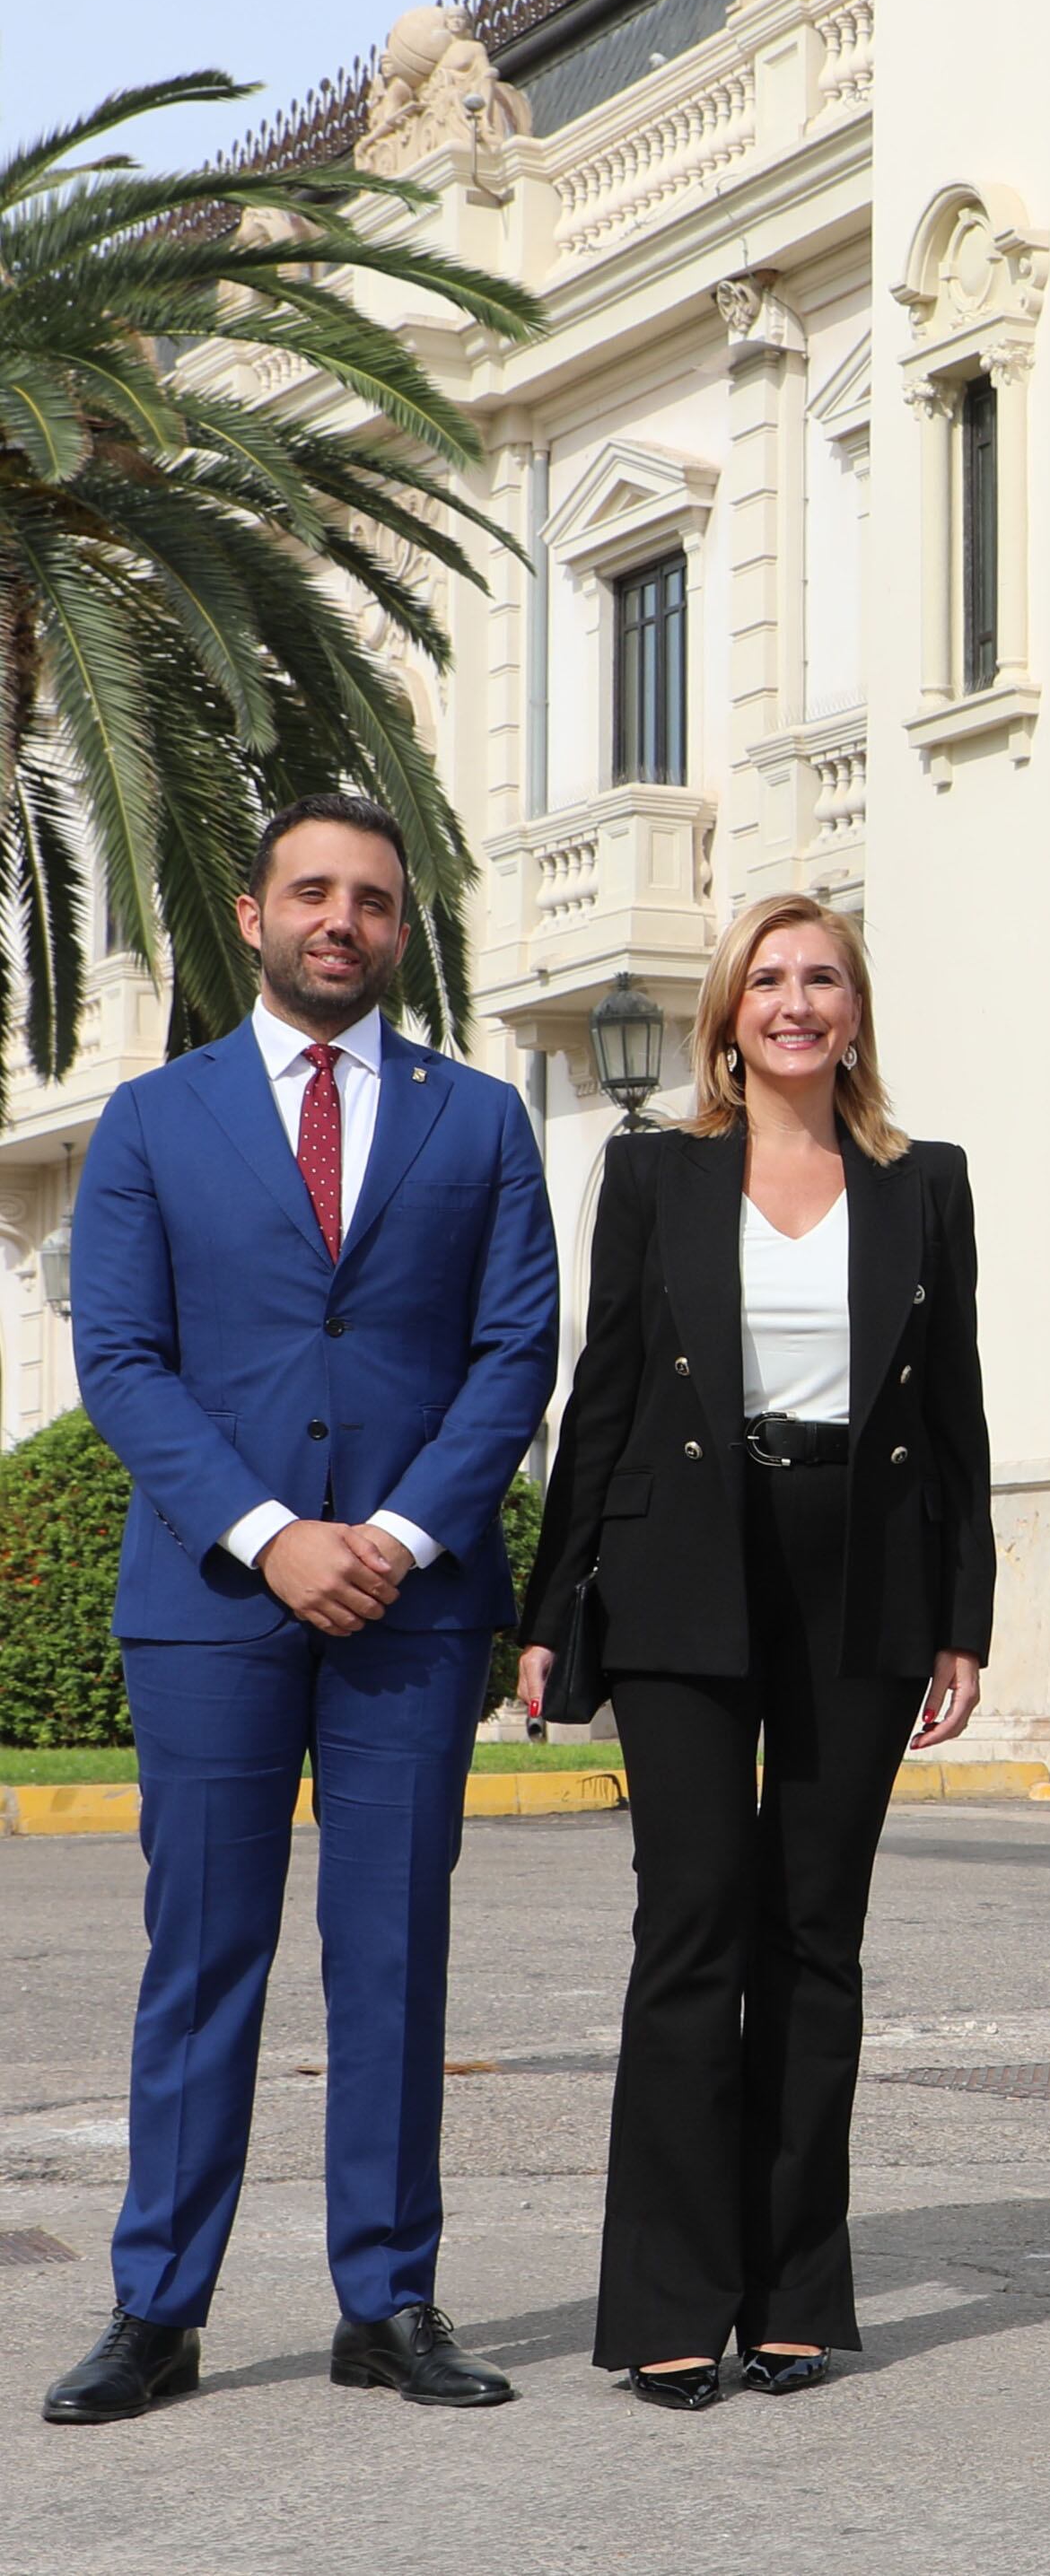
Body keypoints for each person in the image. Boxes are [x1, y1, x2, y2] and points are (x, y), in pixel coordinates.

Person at [45, 797, 557, 2427]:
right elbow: (122, 1362)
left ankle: (387, 2299)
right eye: (313, 894)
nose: (343, 921)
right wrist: (272, 1539)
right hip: (211, 1604)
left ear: (404, 932)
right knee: (202, 1957)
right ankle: (158, 2307)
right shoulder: (149, 1120)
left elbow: (513, 1354)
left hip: (411, 1608)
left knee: (394, 1954)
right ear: (256, 916)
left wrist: (398, 1536)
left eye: (375, 902)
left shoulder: (476, 1121)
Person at [513, 894, 993, 2405]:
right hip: (678, 1569)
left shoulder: (928, 1185)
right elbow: (599, 1398)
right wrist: (549, 1609)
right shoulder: (653, 1172)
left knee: (814, 1934)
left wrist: (963, 1618)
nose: (794, 1003)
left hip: (862, 1566)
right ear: (728, 1015)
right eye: (768, 981)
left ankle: (793, 2291)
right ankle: (668, 2296)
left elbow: (958, 1416)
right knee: (693, 1922)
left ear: (856, 1012)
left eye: (823, 979)